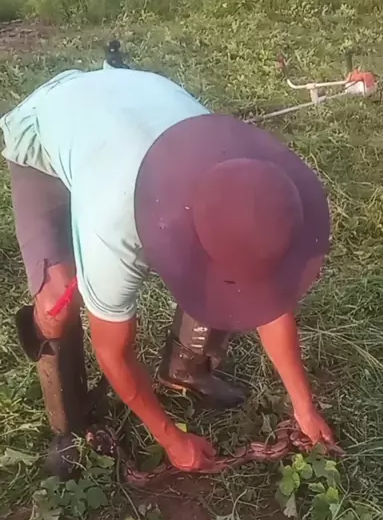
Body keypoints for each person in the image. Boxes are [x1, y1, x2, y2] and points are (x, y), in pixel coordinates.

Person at [0, 59, 336, 479]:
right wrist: (171, 439)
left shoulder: (249, 180)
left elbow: (268, 297)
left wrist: (304, 407)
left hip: (132, 107)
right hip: (51, 125)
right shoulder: (117, 222)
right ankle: (67, 426)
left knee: (231, 265)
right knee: (57, 305)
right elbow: (112, 351)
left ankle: (184, 369)